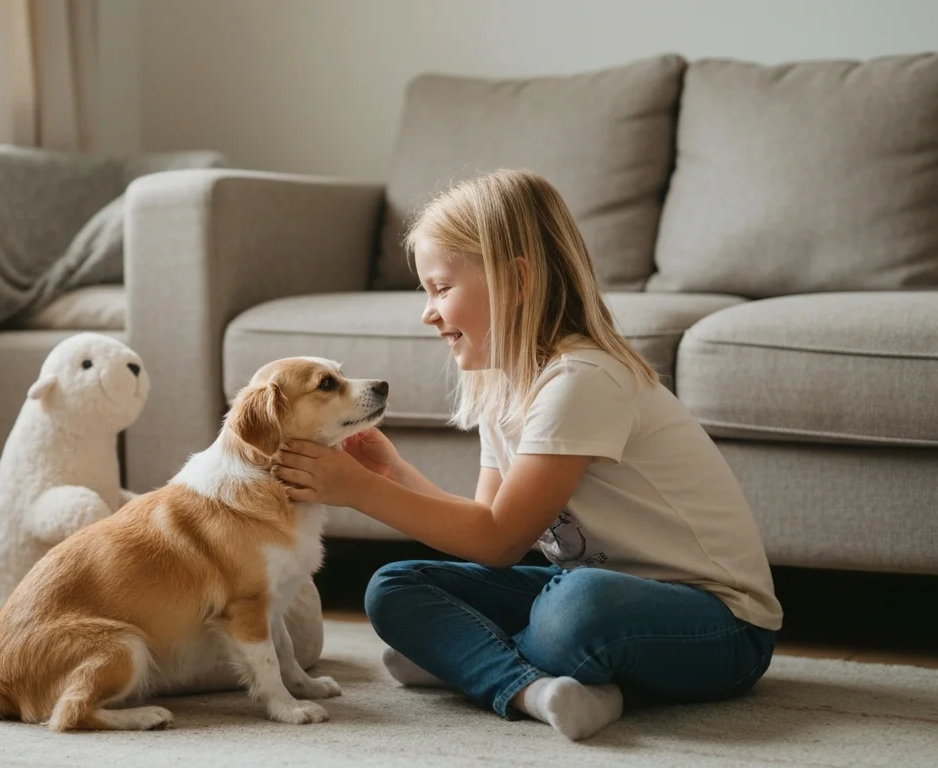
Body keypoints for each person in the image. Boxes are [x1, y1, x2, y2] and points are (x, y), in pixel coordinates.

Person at [274, 169, 783, 741]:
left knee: (577, 608)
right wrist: (392, 472)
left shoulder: (581, 380)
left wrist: (359, 489)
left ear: (515, 280)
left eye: (441, 288)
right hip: (581, 596)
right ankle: (533, 688)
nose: (428, 311)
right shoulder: (505, 388)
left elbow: (500, 539)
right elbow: (485, 542)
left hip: (719, 629)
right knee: (394, 586)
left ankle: (471, 661)